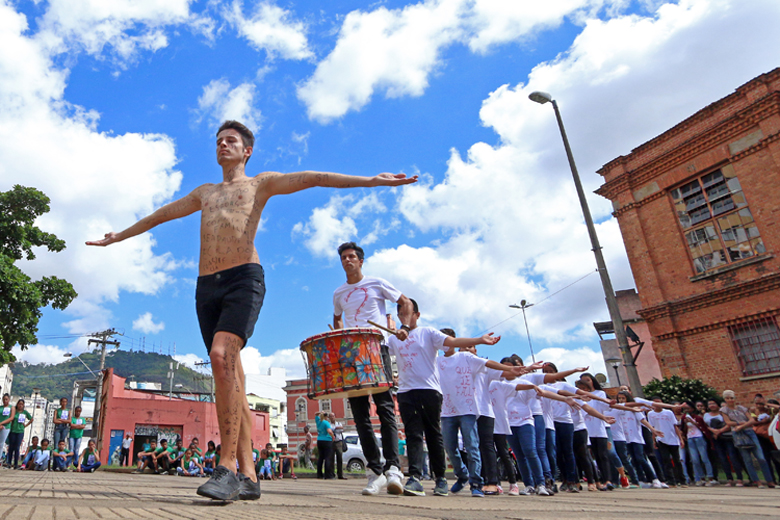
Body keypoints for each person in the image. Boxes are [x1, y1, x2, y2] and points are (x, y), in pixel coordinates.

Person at [88, 121, 417, 501]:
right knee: (232, 377)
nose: (222, 145)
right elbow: (161, 214)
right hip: (206, 286)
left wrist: (371, 181)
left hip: (243, 278)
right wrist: (119, 236)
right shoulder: (204, 193)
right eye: (218, 141)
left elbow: (313, 178)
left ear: (247, 151)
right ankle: (248, 475)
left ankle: (226, 466)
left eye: (231, 141)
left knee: (220, 354)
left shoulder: (259, 183)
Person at [387, 303, 506, 497]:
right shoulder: (394, 338)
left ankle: (440, 479)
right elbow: (380, 350)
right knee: (413, 434)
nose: (403, 318)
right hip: (406, 391)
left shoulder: (428, 333)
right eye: (400, 315)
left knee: (434, 435)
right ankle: (415, 477)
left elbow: (453, 341)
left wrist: (480, 340)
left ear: (417, 314)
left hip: (429, 390)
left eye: (406, 314)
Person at [332, 241, 413, 496]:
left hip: (376, 349)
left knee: (386, 409)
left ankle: (393, 469)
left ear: (361, 261)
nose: (347, 260)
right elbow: (336, 319)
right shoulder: (338, 293)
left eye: (352, 256)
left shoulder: (376, 283)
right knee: (359, 415)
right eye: (343, 257)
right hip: (351, 355)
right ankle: (375, 472)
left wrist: (405, 327)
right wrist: (339, 337)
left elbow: (405, 302)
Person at [720, 389, 775, 488]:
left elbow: (752, 420)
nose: (730, 400)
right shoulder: (724, 410)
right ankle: (756, 481)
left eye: (731, 398)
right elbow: (728, 422)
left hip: (749, 432)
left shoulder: (741, 408)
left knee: (761, 457)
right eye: (727, 398)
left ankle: (769, 480)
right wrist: (739, 424)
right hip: (738, 434)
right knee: (747, 459)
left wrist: (741, 425)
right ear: (725, 399)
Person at [647, 397, 686, 487]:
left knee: (677, 461)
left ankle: (682, 480)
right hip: (661, 439)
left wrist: (680, 439)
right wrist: (653, 440)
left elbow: (675, 426)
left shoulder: (668, 413)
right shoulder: (651, 414)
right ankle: (671, 481)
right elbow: (652, 428)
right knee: (666, 461)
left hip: (672, 439)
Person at [704, 399, 743, 486]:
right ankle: (729, 478)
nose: (711, 405)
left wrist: (719, 431)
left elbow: (729, 424)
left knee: (733, 457)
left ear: (718, 405)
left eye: (713, 403)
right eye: (709, 404)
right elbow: (705, 426)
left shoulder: (724, 413)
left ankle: (739, 478)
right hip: (716, 438)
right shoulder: (706, 415)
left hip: (727, 436)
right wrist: (714, 431)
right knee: (722, 458)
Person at [681, 401, 717, 486]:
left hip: (699, 437)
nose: (686, 410)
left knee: (704, 458)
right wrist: (686, 424)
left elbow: (703, 428)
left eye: (688, 408)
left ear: (692, 409)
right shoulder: (684, 418)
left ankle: (710, 477)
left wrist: (694, 423)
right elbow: (683, 429)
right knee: (695, 459)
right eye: (685, 409)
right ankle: (701, 477)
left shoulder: (698, 418)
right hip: (690, 438)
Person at [0, 399, 31, 469]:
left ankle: (16, 464)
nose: (20, 405)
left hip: (20, 431)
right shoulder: (15, 412)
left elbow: (31, 419)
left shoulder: (25, 412)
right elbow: (10, 418)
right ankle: (9, 463)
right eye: (19, 404)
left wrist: (25, 425)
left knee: (17, 448)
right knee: (11, 447)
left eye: (22, 404)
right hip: (13, 431)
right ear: (17, 404)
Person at [315, 412, 335, 479]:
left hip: (319, 440)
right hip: (327, 440)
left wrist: (320, 412)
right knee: (328, 458)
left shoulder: (318, 421)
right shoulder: (326, 423)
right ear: (326, 417)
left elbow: (316, 414)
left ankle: (319, 474)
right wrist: (333, 436)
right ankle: (328, 475)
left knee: (320, 458)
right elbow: (329, 431)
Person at [329, 413, 346, 479]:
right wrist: (335, 430)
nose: (332, 417)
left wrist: (335, 428)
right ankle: (332, 474)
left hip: (339, 442)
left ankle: (340, 474)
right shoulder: (329, 424)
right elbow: (330, 431)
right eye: (331, 416)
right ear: (329, 418)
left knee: (340, 458)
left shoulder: (338, 423)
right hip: (332, 442)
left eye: (333, 416)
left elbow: (341, 429)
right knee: (331, 458)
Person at [0, 394, 11, 465]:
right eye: (4, 399)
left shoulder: (11, 408)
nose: (5, 401)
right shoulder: (0, 407)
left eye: (6, 399)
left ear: (9, 400)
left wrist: (1, 423)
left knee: (1, 444)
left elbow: (11, 418)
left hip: (5, 427)